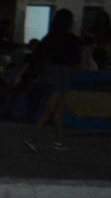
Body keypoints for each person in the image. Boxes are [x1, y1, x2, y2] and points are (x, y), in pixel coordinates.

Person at [24, 8, 82, 152]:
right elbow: (76, 59)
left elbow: (38, 57)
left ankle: (59, 142)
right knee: (50, 110)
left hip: (50, 73)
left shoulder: (49, 38)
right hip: (62, 75)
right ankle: (31, 138)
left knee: (58, 110)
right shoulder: (72, 40)